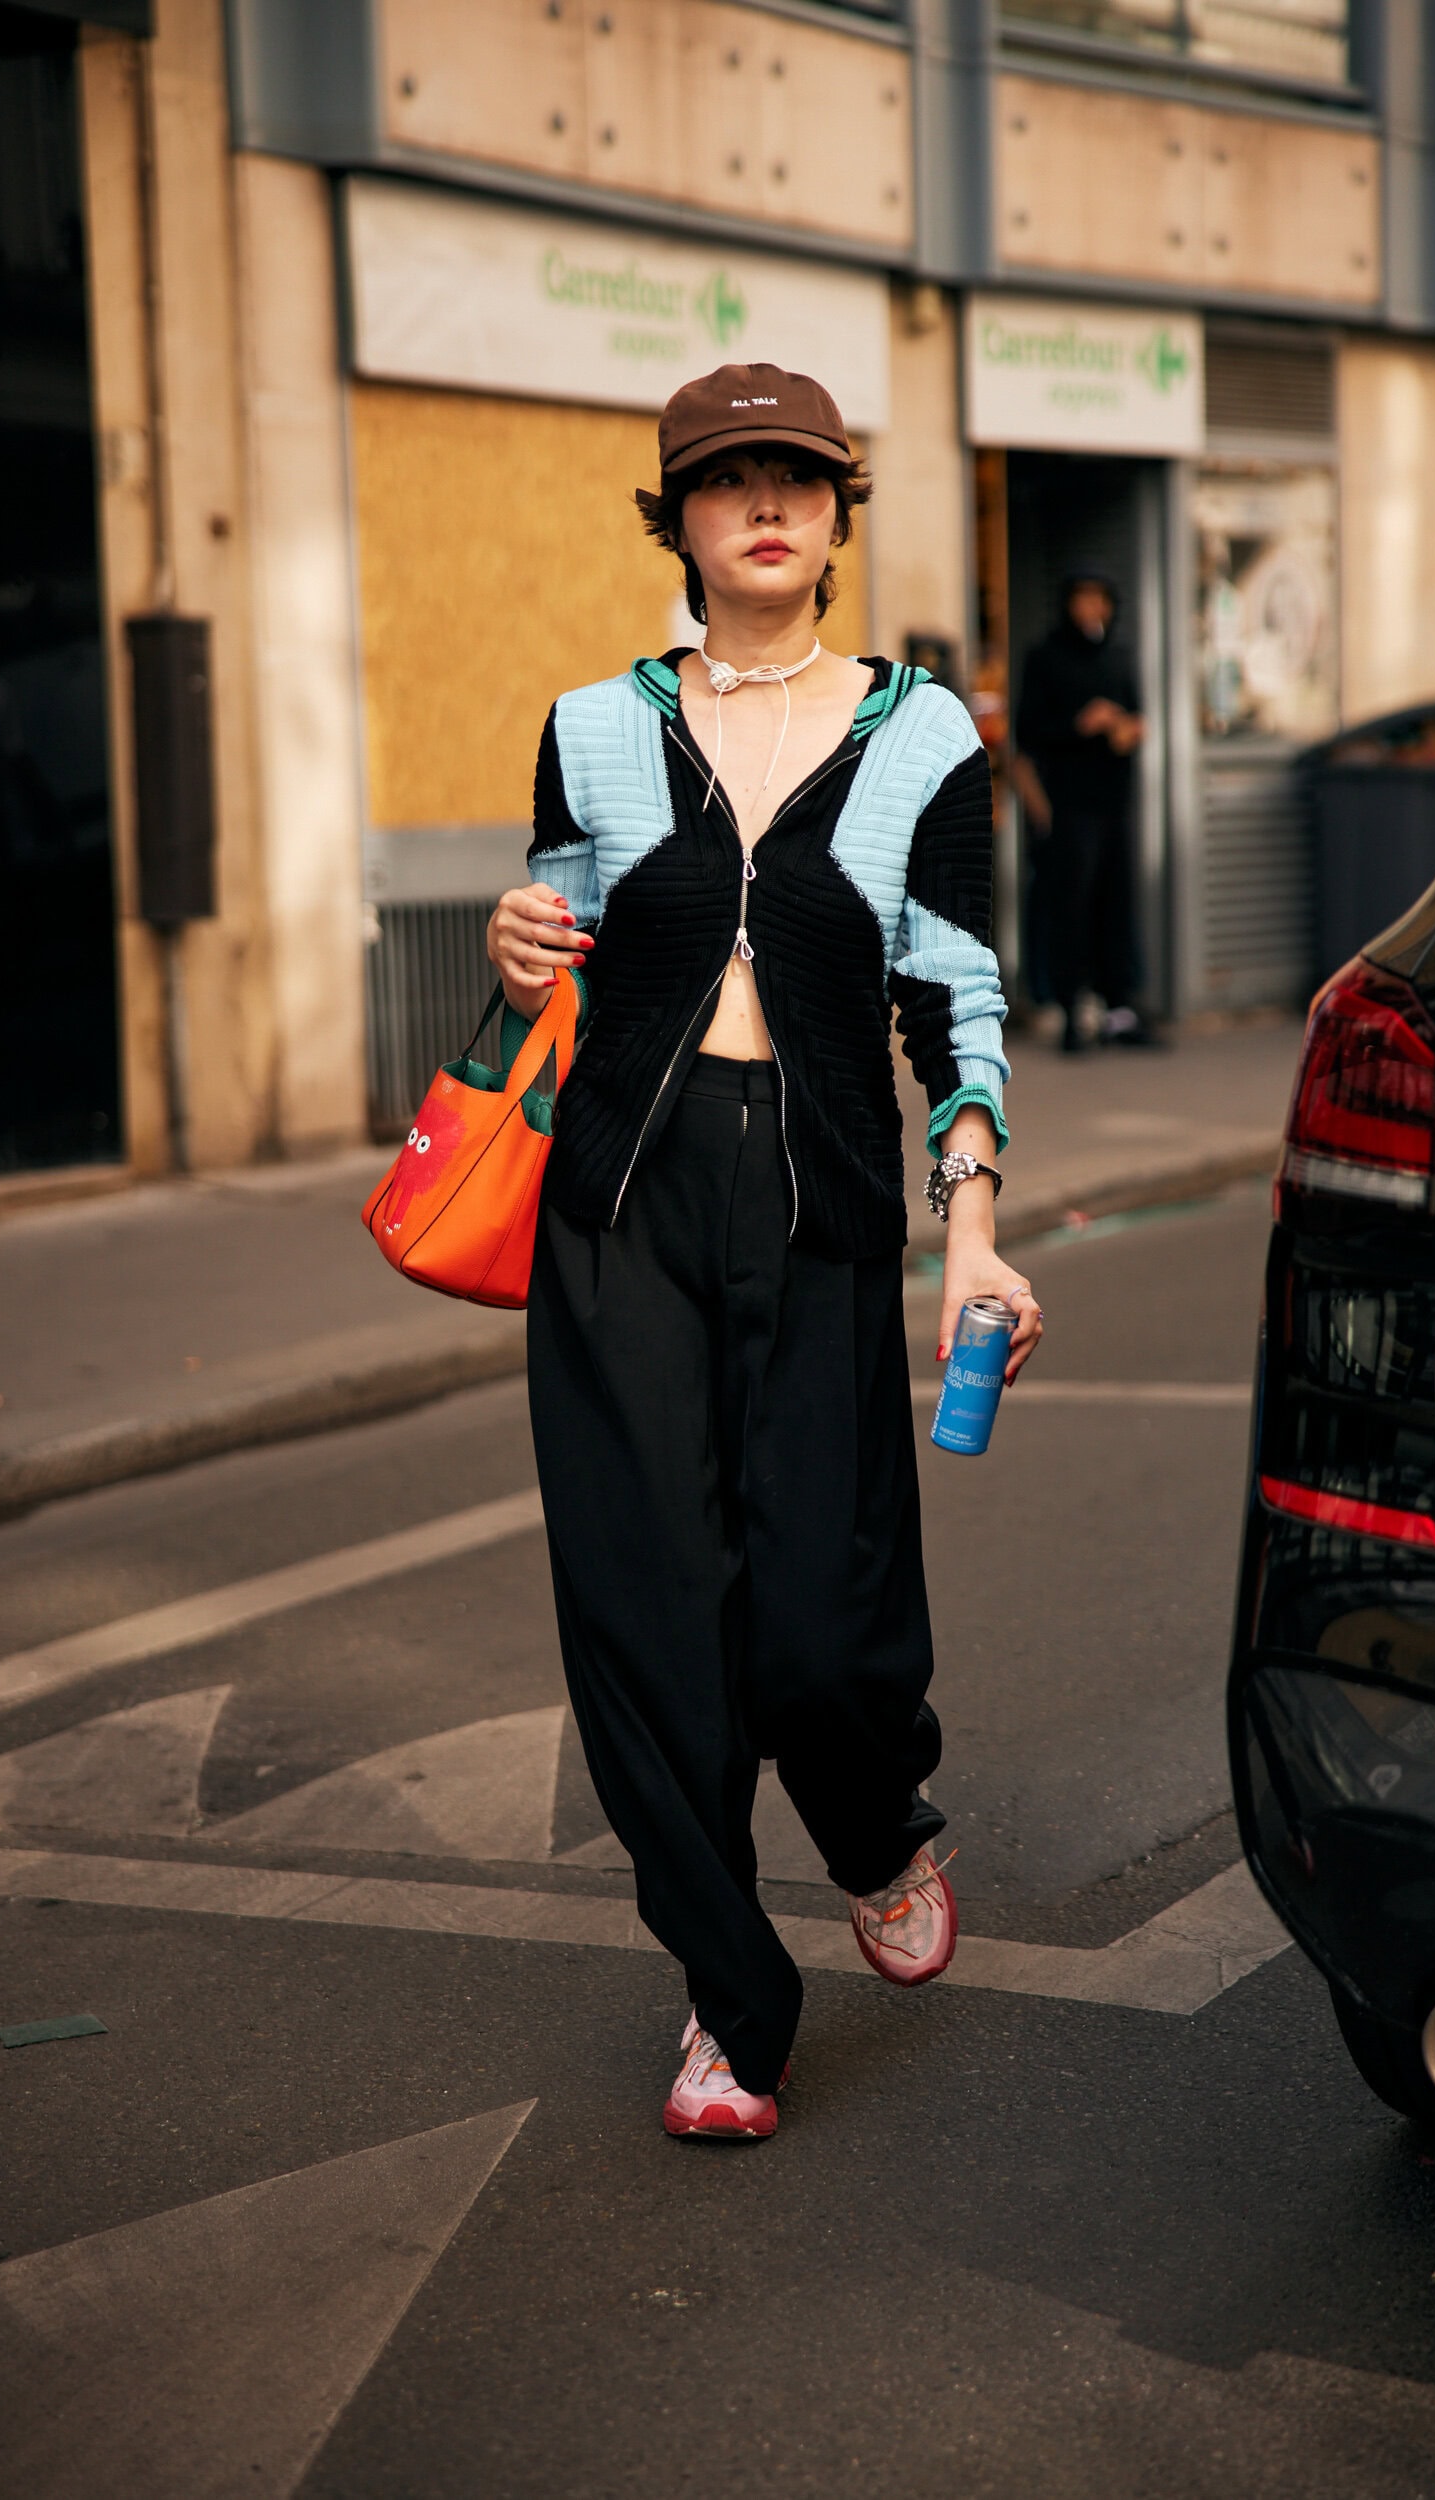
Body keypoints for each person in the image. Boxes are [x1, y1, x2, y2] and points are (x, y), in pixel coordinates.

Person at [485, 362, 1042, 2142]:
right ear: (680, 520)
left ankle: (872, 1823)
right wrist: (514, 944)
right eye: (728, 481)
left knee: (820, 1629)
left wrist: (971, 1234)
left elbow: (953, 995)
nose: (767, 506)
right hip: (618, 1213)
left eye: (797, 476)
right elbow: (558, 946)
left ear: (836, 508)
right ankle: (730, 2005)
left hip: (818, 1209)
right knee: (651, 1624)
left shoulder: (920, 735)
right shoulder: (590, 722)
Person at [1012, 568, 1151, 1053]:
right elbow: (1028, 730)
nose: (1093, 609)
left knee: (1116, 903)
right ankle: (1071, 1011)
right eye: (1084, 599)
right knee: (1070, 906)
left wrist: (1126, 729)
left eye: (1100, 599)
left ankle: (1119, 1010)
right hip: (1068, 805)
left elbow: (1136, 719)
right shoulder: (1046, 657)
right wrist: (1080, 724)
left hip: (1115, 801)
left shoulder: (1119, 656)